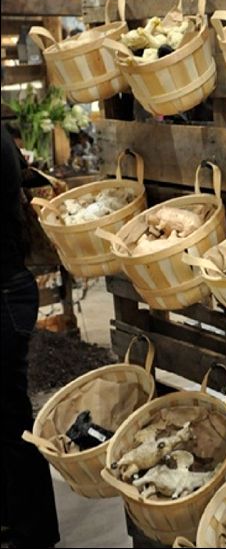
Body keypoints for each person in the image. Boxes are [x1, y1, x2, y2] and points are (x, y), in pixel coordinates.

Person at [1, 125, 60, 548]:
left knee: (9, 416)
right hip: (9, 288)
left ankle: (33, 531)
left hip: (5, 293)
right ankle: (17, 521)